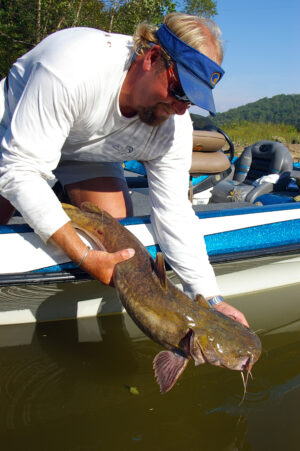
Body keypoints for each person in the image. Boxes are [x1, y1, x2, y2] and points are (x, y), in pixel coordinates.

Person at [0, 12, 248, 327]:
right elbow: (18, 170)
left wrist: (212, 298)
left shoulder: (175, 125)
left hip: (86, 150)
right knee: (10, 195)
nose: (182, 108)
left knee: (118, 233)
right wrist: (85, 257)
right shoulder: (74, 66)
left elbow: (173, 212)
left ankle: (53, 199)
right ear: (153, 58)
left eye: (194, 101)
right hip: (13, 126)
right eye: (181, 91)